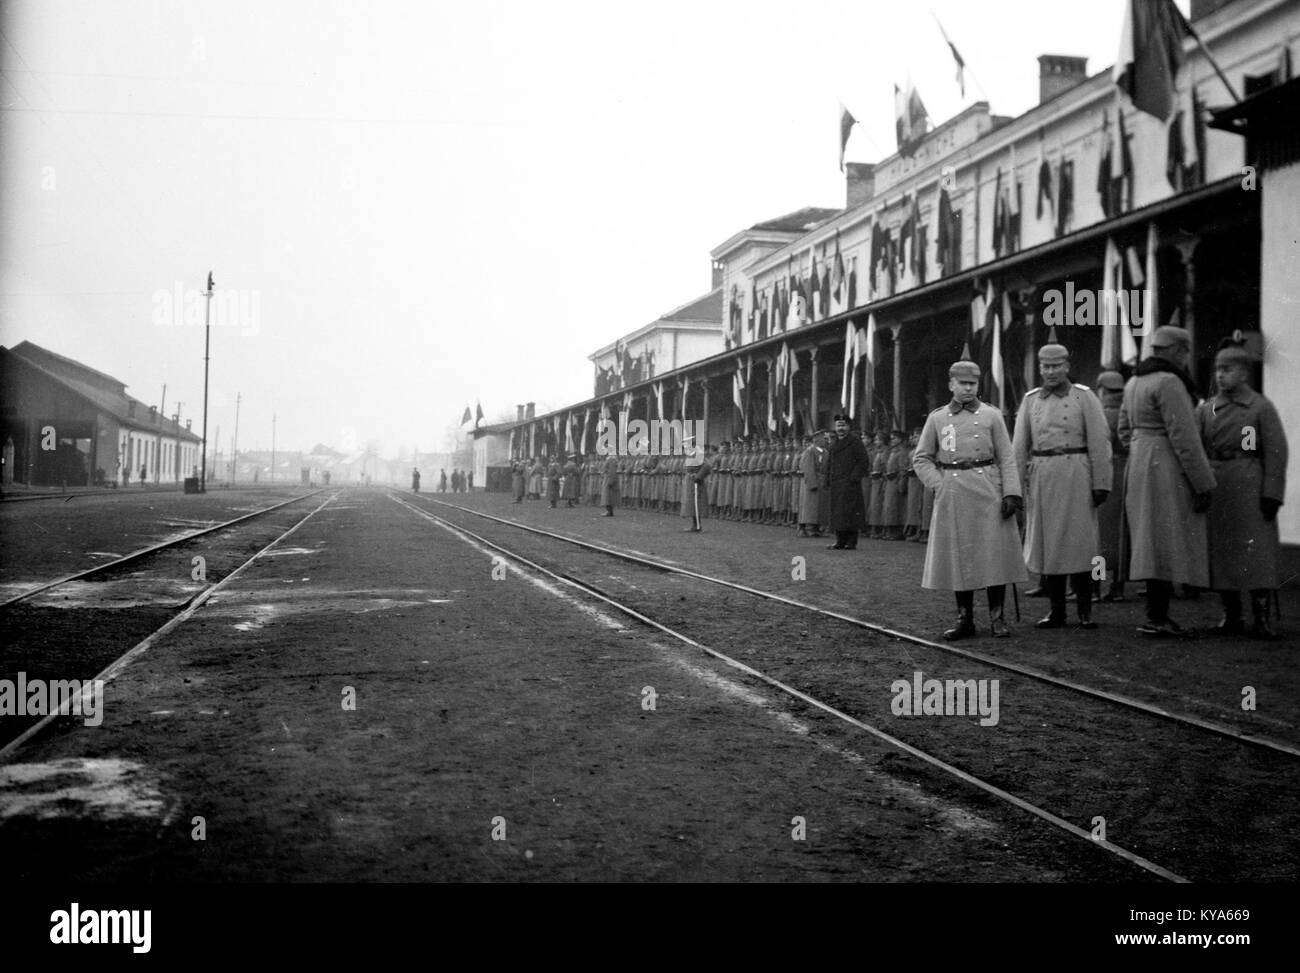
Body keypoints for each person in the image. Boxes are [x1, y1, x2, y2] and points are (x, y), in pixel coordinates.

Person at [913, 360, 1026, 639]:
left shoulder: (991, 415)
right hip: (953, 492)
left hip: (988, 490)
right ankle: (965, 619)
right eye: (962, 383)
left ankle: (997, 618)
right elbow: (922, 458)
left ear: (978, 385)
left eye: (972, 384)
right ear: (951, 384)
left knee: (993, 556)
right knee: (959, 556)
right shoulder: (937, 418)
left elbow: (1007, 457)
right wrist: (939, 485)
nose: (967, 388)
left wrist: (1011, 492)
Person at [1118, 326, 1216, 637]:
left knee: (1149, 539)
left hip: (1139, 461)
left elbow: (1123, 430)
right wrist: (1203, 482)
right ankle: (1158, 617)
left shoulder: (1134, 380)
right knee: (1165, 538)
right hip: (1166, 465)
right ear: (1176, 350)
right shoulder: (1170, 382)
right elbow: (1185, 437)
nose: (1186, 358)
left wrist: (1140, 447)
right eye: (1184, 352)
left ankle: (1155, 614)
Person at [1012, 343, 1113, 630]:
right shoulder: (1031, 401)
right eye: (1046, 366)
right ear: (1040, 369)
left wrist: (1101, 482)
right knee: (1050, 546)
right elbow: (1019, 448)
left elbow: (1099, 441)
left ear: (1067, 366)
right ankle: (1056, 611)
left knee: (1082, 545)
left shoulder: (1084, 397)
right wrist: (1014, 488)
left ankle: (1085, 610)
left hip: (1078, 474)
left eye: (1057, 366)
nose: (1051, 371)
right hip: (1044, 477)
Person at [1196, 337, 1288, 638]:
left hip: (1251, 487)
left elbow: (1276, 452)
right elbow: (1198, 449)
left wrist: (1272, 493)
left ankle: (1261, 618)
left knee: (1256, 554)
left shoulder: (1261, 408)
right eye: (1218, 369)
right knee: (1222, 554)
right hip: (1219, 487)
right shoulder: (1208, 410)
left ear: (1245, 373)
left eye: (1229, 369)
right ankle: (1230, 614)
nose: (1221, 375)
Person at [1095, 371, 1129, 601]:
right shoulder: (1127, 413)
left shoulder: (1100, 416)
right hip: (1124, 475)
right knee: (1120, 534)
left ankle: (1096, 586)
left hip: (1103, 477)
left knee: (1099, 537)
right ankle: (1118, 586)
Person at [823, 413, 868, 550]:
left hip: (849, 483)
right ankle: (840, 540)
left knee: (850, 513)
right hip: (836, 483)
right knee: (837, 513)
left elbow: (863, 461)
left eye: (843, 425)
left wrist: (853, 477)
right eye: (838, 425)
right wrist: (827, 479)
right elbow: (829, 463)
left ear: (849, 427)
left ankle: (851, 541)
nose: (840, 428)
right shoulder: (835, 442)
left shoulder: (855, 442)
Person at [680, 439, 711, 531]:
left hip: (695, 481)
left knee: (696, 503)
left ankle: (697, 525)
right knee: (691, 503)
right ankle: (695, 524)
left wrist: (698, 477)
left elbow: (707, 466)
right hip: (689, 481)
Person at [797, 433, 823, 537]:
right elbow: (809, 468)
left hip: (820, 480)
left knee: (817, 506)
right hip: (810, 481)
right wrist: (812, 483)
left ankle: (815, 527)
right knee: (807, 505)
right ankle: (805, 527)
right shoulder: (810, 451)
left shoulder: (824, 451)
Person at [600, 449, 620, 516]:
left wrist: (610, 481)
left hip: (609, 479)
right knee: (608, 495)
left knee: (608, 496)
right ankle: (609, 510)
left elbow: (612, 471)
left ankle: (609, 511)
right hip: (608, 478)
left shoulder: (611, 460)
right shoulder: (611, 460)